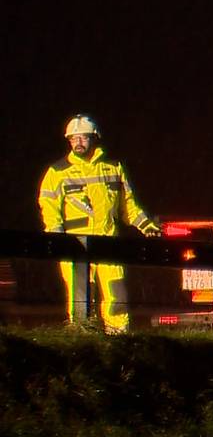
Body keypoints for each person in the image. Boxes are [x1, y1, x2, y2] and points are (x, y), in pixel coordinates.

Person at [38, 114, 161, 333]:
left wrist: (146, 225)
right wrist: (57, 239)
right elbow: (49, 208)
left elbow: (128, 206)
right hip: (74, 247)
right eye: (73, 139)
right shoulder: (57, 173)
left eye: (83, 138)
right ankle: (85, 343)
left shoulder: (113, 168)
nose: (78, 143)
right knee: (82, 300)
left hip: (108, 245)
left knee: (117, 299)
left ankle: (118, 342)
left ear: (94, 138)